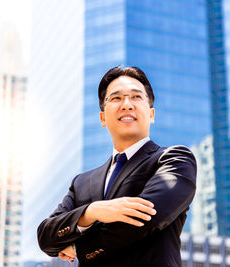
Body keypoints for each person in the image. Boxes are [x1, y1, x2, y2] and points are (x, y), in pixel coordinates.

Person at [37, 66, 197, 267]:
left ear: (152, 114)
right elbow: (46, 236)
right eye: (116, 98)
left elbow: (146, 218)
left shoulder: (174, 160)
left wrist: (79, 248)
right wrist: (92, 212)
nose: (127, 104)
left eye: (136, 97)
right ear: (103, 117)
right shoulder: (82, 183)